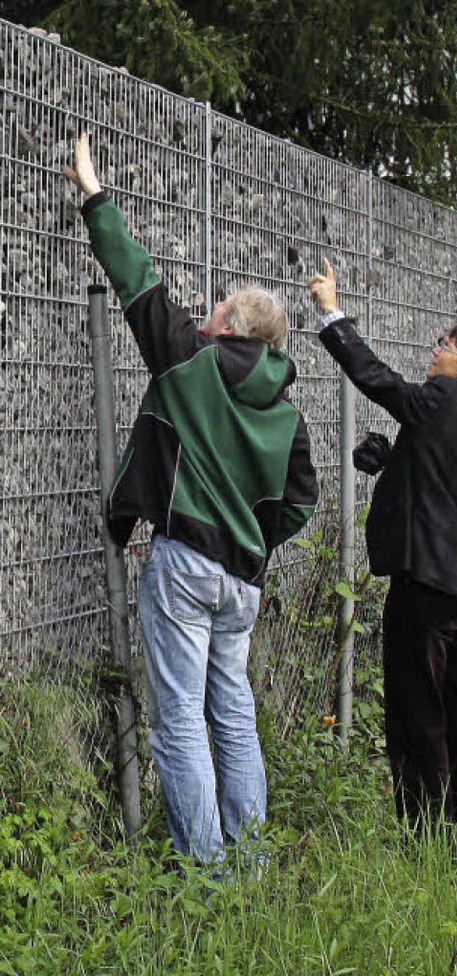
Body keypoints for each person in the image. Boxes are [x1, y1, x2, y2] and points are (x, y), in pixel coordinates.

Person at [64, 134, 319, 869]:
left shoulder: (192, 361)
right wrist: (255, 534)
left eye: (218, 306)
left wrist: (94, 193)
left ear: (234, 327)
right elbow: (298, 506)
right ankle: (251, 856)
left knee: (178, 719)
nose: (204, 309)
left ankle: (205, 871)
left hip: (184, 568)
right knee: (232, 713)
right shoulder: (287, 414)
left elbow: (137, 281)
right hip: (243, 579)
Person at [308, 259, 457, 835]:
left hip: (426, 586)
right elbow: (455, 496)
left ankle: (424, 835)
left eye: (445, 346)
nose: (436, 352)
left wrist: (332, 314)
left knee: (416, 714)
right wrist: (394, 462)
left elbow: (379, 380)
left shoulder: (442, 398)